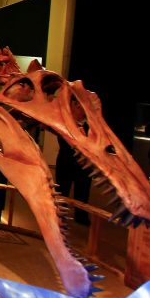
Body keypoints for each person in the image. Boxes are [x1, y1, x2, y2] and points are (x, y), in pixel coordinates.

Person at [55, 95, 91, 225]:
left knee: (83, 191)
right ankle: (59, 215)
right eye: (78, 105)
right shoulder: (64, 123)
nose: (82, 109)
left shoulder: (91, 126)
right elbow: (63, 141)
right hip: (66, 162)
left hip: (84, 165)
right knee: (62, 190)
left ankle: (81, 216)